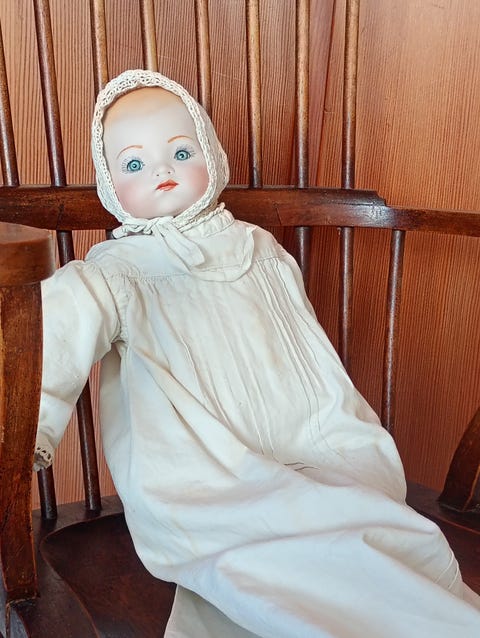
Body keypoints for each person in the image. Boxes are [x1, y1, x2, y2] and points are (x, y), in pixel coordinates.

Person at [34, 69, 480, 638]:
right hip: (202, 472)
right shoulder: (112, 273)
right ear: (108, 185)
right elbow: (55, 331)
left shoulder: (259, 246)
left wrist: (328, 428)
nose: (162, 171)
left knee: (363, 521)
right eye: (134, 165)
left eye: (181, 152)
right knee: (255, 552)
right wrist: (26, 429)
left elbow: (306, 352)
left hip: (311, 440)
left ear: (212, 155)